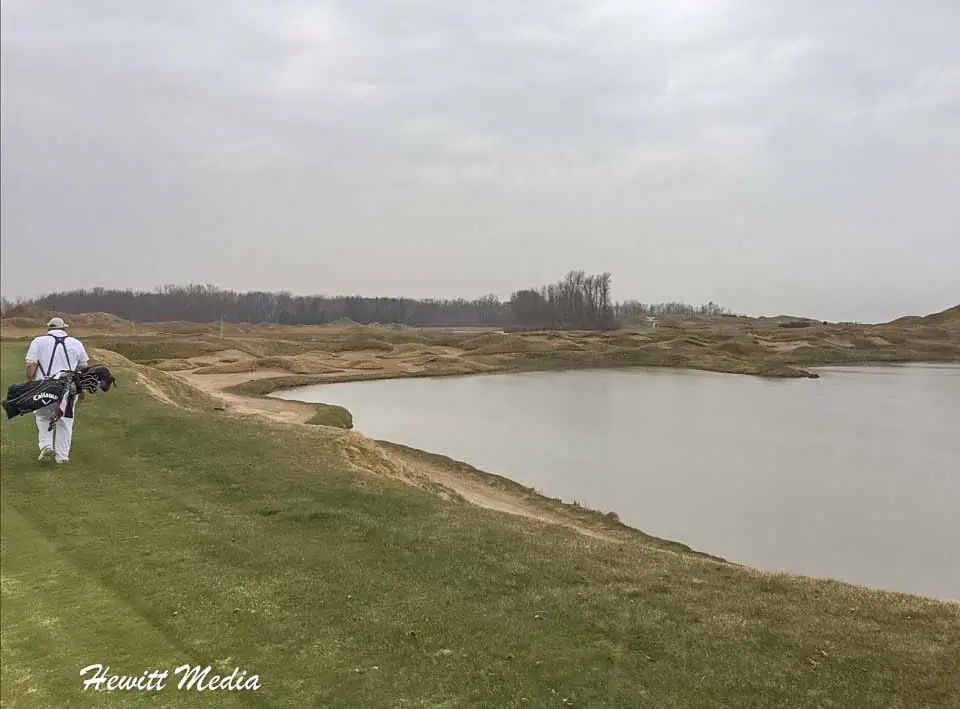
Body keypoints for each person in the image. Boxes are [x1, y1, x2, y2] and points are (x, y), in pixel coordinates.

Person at [24, 317, 89, 464]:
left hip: (43, 386)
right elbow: (83, 367)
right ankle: (62, 457)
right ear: (64, 328)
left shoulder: (38, 342)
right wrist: (82, 388)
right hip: (68, 388)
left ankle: (46, 446)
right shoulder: (76, 343)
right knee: (65, 421)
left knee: (43, 417)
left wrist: (29, 382)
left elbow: (30, 365)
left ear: (49, 328)